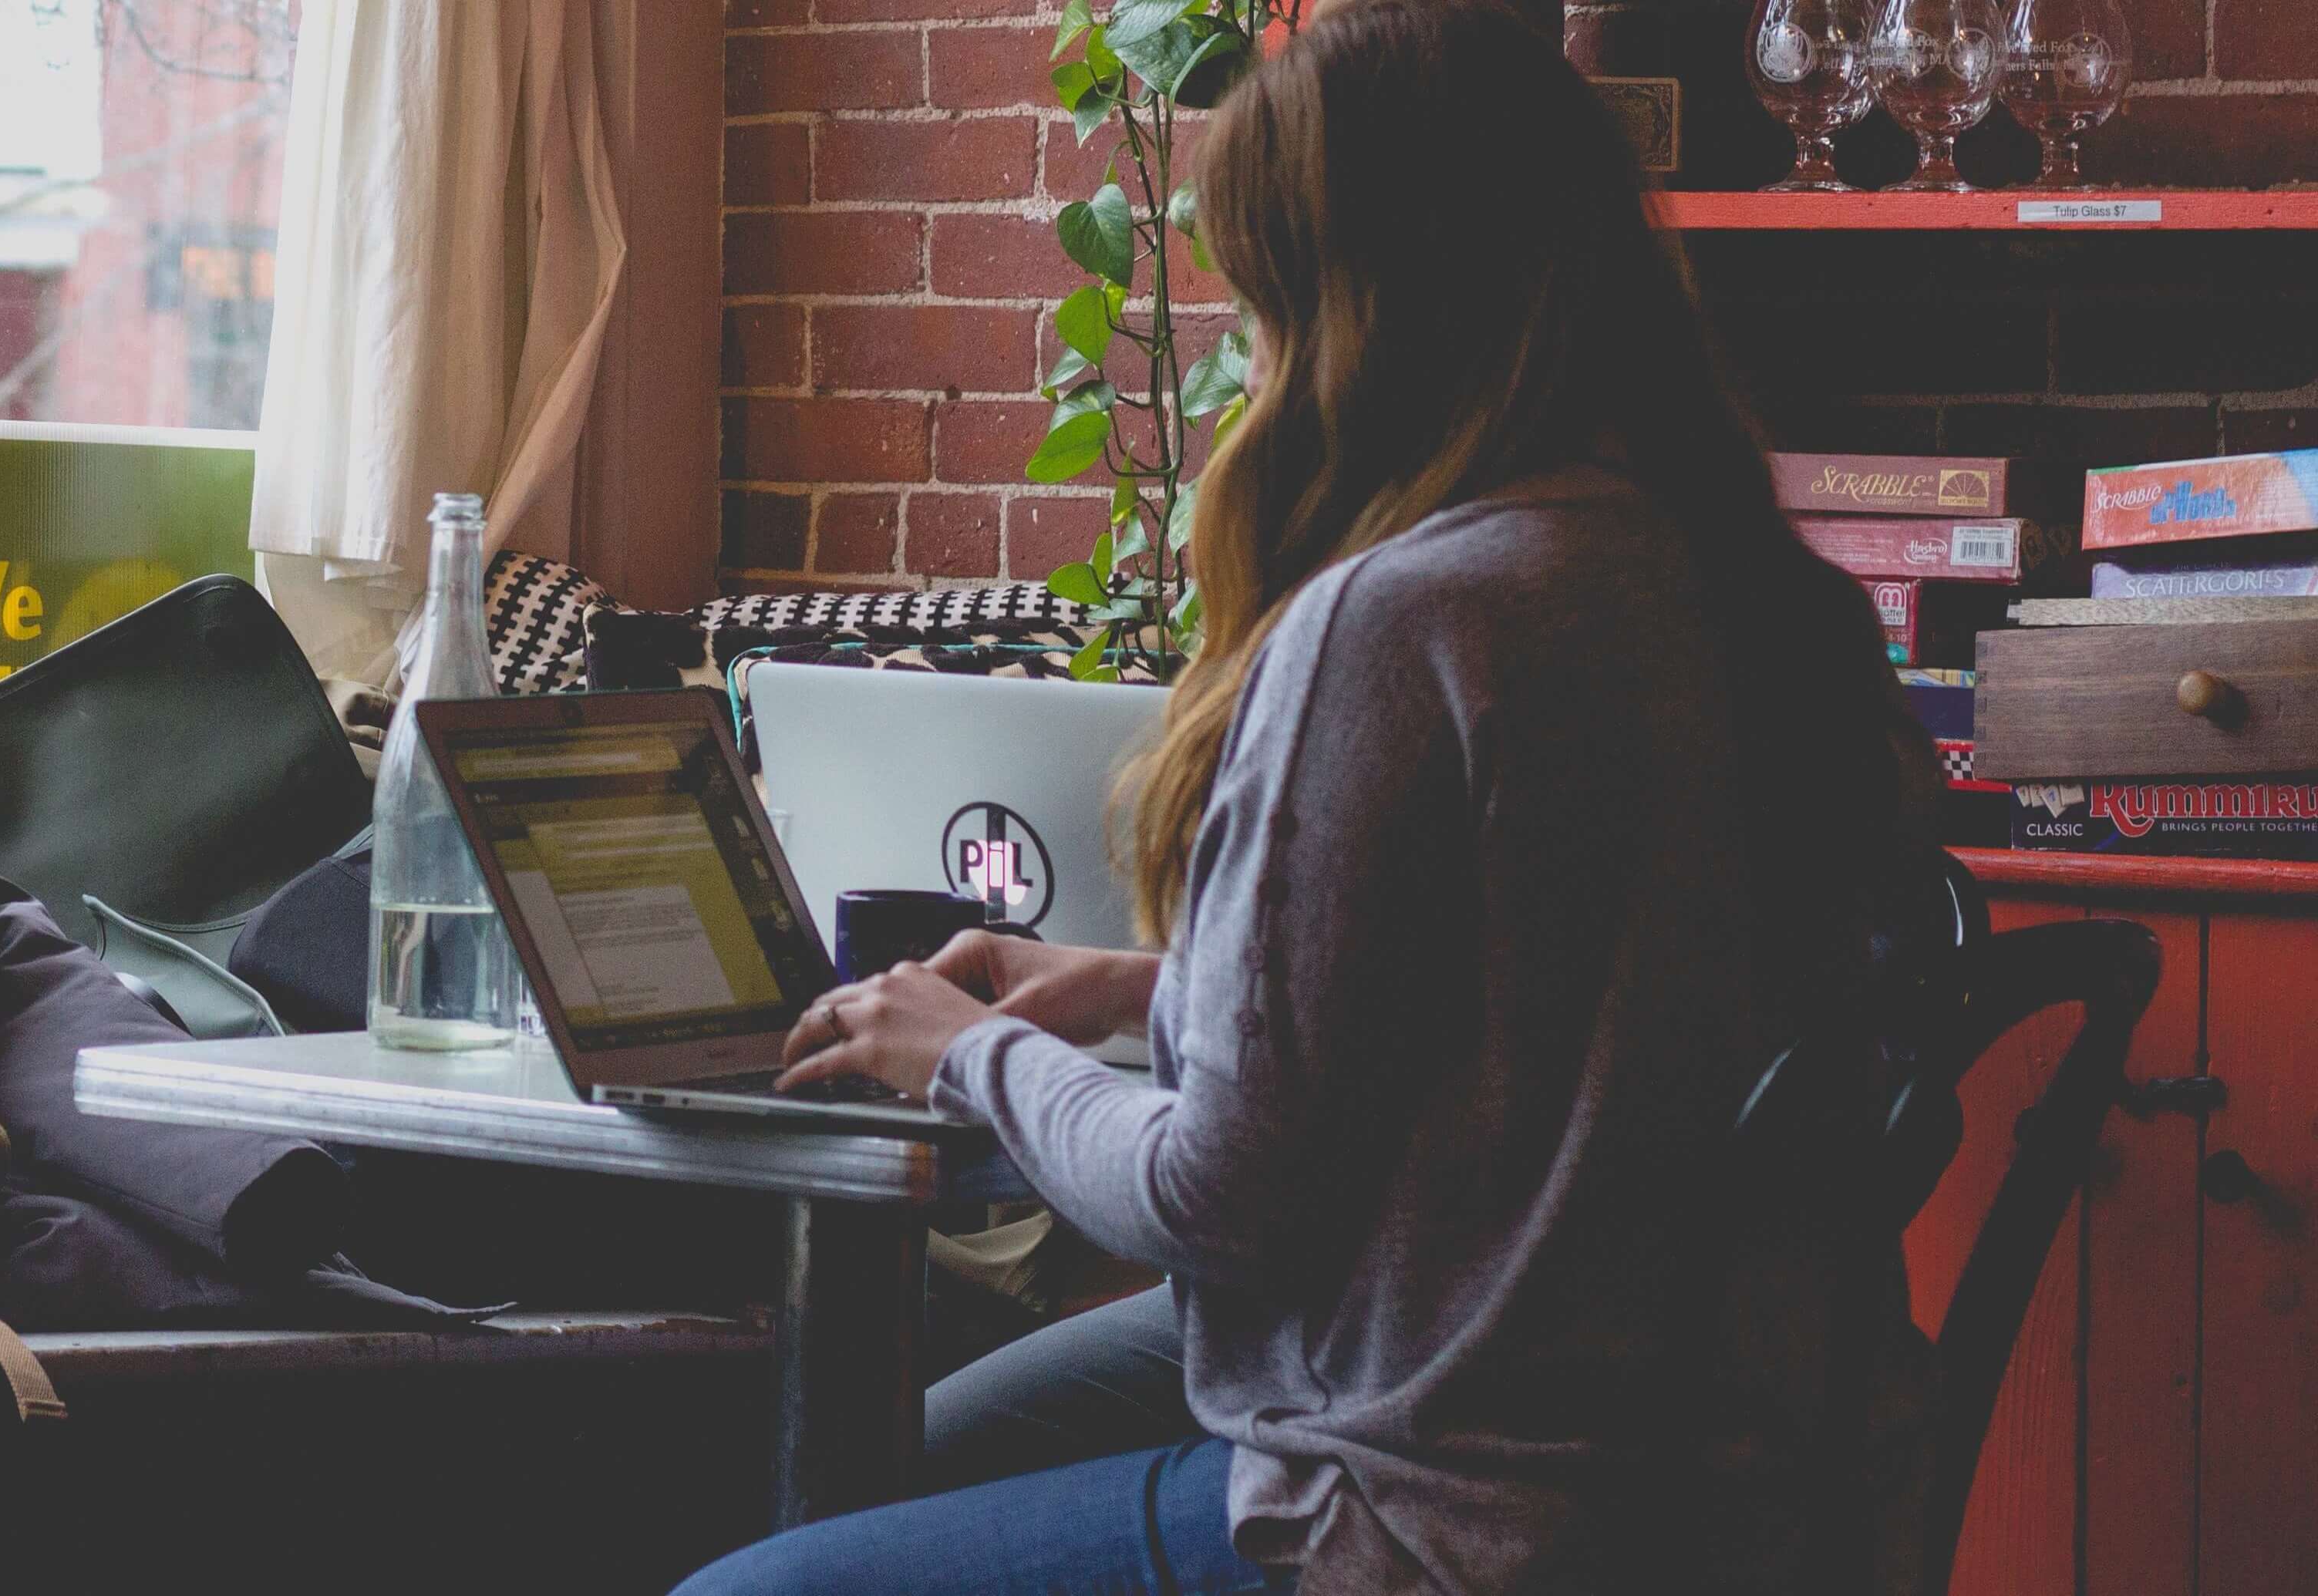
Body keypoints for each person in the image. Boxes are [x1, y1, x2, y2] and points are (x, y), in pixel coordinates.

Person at [675, 2, 1934, 1592]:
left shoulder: (1406, 624)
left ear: (1350, 309)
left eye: (1260, 295)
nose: (1248, 349)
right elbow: (1571, 1016)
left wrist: (968, 1053)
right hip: (1746, 1469)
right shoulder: (1759, 596)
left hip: (1461, 1504)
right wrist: (1142, 988)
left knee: (746, 1582)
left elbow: (1211, 1198)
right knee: (898, 1454)